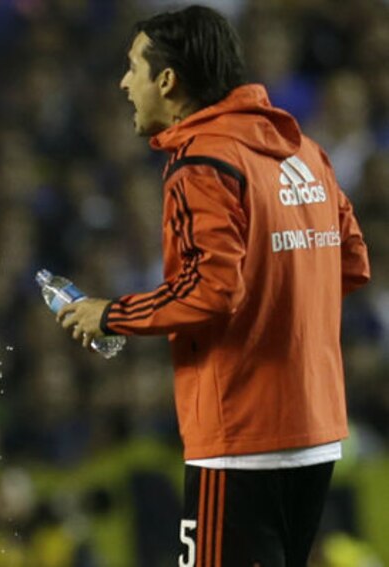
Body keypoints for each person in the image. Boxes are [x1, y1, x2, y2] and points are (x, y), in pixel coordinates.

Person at [58, 6, 370, 566]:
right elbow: (351, 263)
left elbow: (210, 290)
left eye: (133, 68)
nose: (123, 83)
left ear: (168, 80)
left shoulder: (200, 163)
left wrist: (109, 314)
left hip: (241, 432)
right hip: (317, 428)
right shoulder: (305, 152)